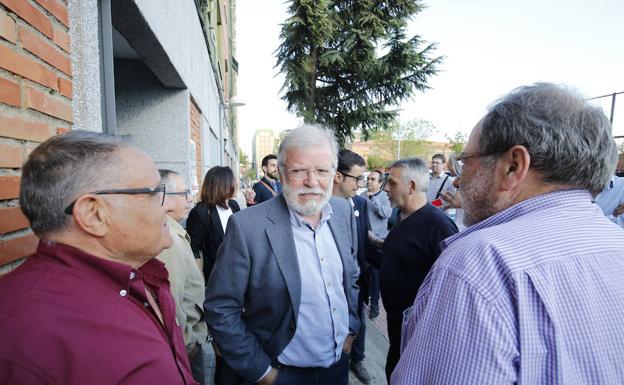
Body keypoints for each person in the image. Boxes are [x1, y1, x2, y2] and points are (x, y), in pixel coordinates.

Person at [392, 83, 624, 384]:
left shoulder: (479, 263)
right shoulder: (616, 243)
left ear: (513, 166)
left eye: (466, 162)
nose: (459, 181)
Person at [0, 130, 196, 385]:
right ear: (93, 214)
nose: (168, 206)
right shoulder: (29, 331)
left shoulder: (144, 274)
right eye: (153, 193)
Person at [204, 125, 360, 385]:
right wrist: (262, 373)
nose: (312, 181)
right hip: (281, 373)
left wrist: (351, 329)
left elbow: (351, 277)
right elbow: (220, 308)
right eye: (299, 171)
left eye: (321, 170)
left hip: (337, 368)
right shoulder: (247, 227)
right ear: (282, 173)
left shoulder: (342, 211)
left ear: (334, 173)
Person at [381, 157, 458, 382]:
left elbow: (449, 288)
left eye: (392, 183)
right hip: (397, 333)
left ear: (411, 186)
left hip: (419, 340)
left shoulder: (439, 226)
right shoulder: (400, 216)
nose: (386, 187)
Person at [157, 169, 211, 385]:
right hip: (187, 345)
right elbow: (172, 301)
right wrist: (189, 345)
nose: (191, 198)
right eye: (184, 193)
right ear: (164, 198)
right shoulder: (168, 240)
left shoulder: (174, 231)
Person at [332, 149, 371, 384]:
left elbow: (356, 254)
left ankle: (357, 359)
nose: (360, 184)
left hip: (355, 293)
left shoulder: (355, 204)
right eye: (357, 178)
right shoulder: (317, 209)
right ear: (338, 176)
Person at [186, 166, 241, 282]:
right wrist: (201, 283)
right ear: (223, 185)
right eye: (233, 180)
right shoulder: (200, 212)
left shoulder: (233, 205)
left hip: (238, 273)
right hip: (215, 278)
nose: (237, 184)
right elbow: (194, 250)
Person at [360, 170, 392, 319]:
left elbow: (386, 213)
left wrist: (374, 199)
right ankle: (364, 299)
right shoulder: (362, 196)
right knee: (364, 274)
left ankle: (375, 305)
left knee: (376, 275)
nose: (369, 182)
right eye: (368, 179)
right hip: (364, 242)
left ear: (380, 183)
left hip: (379, 242)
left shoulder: (385, 197)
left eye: (373, 179)